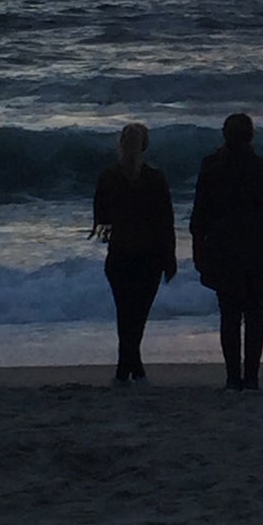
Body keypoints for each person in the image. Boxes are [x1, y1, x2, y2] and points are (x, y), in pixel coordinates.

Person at [190, 113, 263, 390]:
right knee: (256, 317)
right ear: (251, 136)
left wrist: (199, 249)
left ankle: (233, 377)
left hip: (223, 252)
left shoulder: (211, 168)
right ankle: (252, 378)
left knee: (229, 316)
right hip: (259, 251)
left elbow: (199, 217)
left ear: (224, 135)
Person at [92, 122, 177, 385]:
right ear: (146, 146)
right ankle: (130, 367)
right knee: (138, 314)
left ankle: (127, 367)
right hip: (149, 254)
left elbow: (101, 218)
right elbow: (166, 221)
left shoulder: (108, 177)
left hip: (119, 253)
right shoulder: (155, 178)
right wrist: (169, 257)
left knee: (124, 311)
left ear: (121, 144)